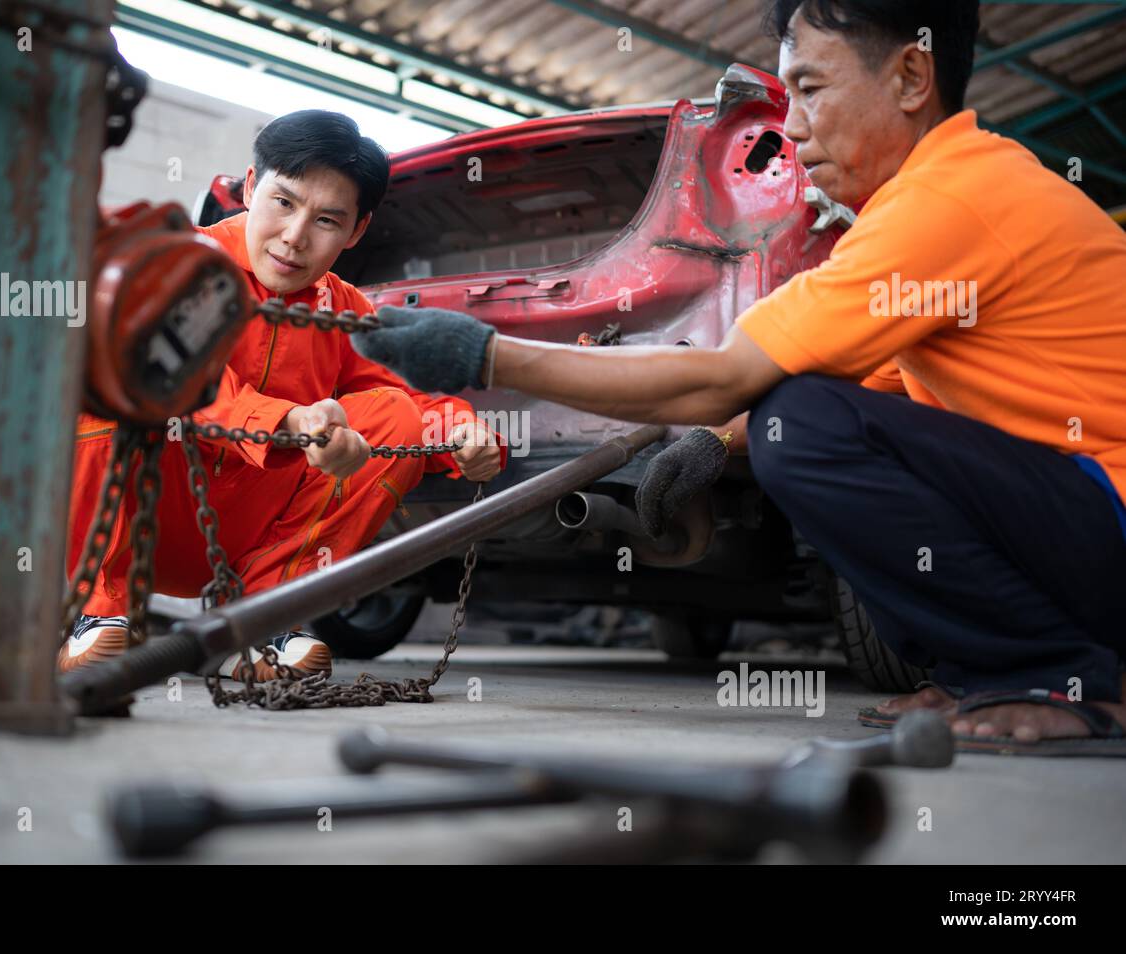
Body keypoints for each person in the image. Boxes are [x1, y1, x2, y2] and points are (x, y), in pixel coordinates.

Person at [351, 0, 1126, 755]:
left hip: (1107, 523)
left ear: (912, 76)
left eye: (812, 89)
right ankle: (982, 673)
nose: (791, 126)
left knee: (801, 422)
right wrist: (715, 445)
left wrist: (483, 355)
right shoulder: (952, 197)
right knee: (798, 418)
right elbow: (875, 399)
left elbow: (725, 377)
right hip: (1082, 524)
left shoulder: (948, 200)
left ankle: (1053, 676)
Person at [63, 110, 505, 681]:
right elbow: (181, 379)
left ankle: (261, 620)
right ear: (250, 187)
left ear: (356, 231)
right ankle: (97, 614)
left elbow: (400, 403)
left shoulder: (346, 311)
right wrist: (292, 423)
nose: (295, 238)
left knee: (393, 417)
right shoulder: (177, 262)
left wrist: (464, 437)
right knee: (96, 370)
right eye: (284, 202)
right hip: (148, 516)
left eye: (326, 219)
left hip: (248, 535)